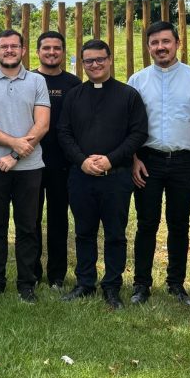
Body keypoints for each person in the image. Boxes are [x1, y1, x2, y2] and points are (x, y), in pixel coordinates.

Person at [58, 39, 148, 309]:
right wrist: (82, 161)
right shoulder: (74, 95)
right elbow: (63, 132)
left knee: (115, 234)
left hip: (116, 176)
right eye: (89, 61)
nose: (95, 65)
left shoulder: (128, 95)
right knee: (84, 232)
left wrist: (110, 160)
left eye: (100, 59)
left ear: (110, 60)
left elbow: (138, 134)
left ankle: (111, 286)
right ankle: (85, 283)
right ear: (82, 64)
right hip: (80, 175)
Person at [126, 21, 190, 307]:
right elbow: (129, 127)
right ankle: (141, 285)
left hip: (185, 162)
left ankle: (176, 283)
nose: (160, 47)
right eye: (154, 43)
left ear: (177, 43)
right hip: (147, 161)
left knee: (179, 224)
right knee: (146, 223)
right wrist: (134, 159)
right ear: (148, 47)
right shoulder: (137, 81)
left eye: (166, 41)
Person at [0, 29, 51, 304]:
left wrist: (16, 154)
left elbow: (42, 124)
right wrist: (14, 143)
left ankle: (27, 284)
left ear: (23, 50)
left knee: (28, 226)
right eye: (3, 46)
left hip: (30, 167)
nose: (9, 50)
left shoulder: (37, 81)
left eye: (14, 46)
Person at [31, 30, 82, 291]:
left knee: (59, 219)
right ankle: (32, 272)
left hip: (64, 163)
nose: (51, 52)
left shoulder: (74, 83)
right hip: (30, 162)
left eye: (57, 48)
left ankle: (57, 275)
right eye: (46, 48)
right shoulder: (28, 80)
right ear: (38, 51)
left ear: (63, 52)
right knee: (31, 218)